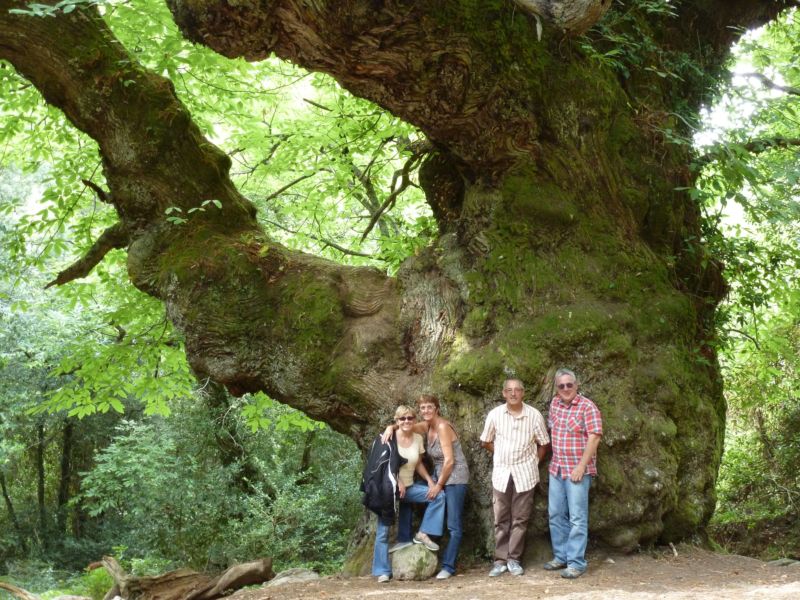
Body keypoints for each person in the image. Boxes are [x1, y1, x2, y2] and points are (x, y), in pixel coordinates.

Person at [383, 394, 469, 580]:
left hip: (454, 476)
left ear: (437, 408)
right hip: (439, 475)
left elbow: (449, 461)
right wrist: (391, 427)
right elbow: (406, 425)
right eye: (422, 408)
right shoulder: (426, 426)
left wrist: (437, 485)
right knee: (410, 492)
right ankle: (405, 538)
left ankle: (448, 566)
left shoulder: (443, 427)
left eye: (430, 407)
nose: (426, 411)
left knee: (453, 524)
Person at [480, 378, 550, 577]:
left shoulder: (534, 415)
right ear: (503, 393)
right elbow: (486, 441)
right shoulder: (495, 415)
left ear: (523, 393)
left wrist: (534, 462)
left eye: (517, 390)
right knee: (501, 518)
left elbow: (544, 443)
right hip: (502, 473)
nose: (513, 394)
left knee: (520, 518)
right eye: (509, 390)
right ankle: (500, 560)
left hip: (526, 474)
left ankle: (514, 559)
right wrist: (500, 453)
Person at [372, 405, 446, 583]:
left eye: (410, 418)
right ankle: (382, 570)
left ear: (414, 420)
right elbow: (383, 464)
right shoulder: (389, 437)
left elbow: (418, 464)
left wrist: (429, 480)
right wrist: (397, 481)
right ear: (396, 421)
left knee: (438, 495)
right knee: (383, 531)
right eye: (402, 419)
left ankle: (423, 533)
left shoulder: (418, 438)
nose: (406, 421)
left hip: (409, 487)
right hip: (388, 490)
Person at [544, 368, 603, 579]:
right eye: (561, 386)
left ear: (576, 385)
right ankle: (561, 556)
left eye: (570, 385)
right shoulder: (554, 405)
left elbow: (594, 437)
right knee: (555, 515)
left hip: (578, 471)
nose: (566, 388)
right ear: (557, 388)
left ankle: (576, 562)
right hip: (557, 468)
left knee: (577, 518)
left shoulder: (588, 407)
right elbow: (553, 431)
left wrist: (581, 466)